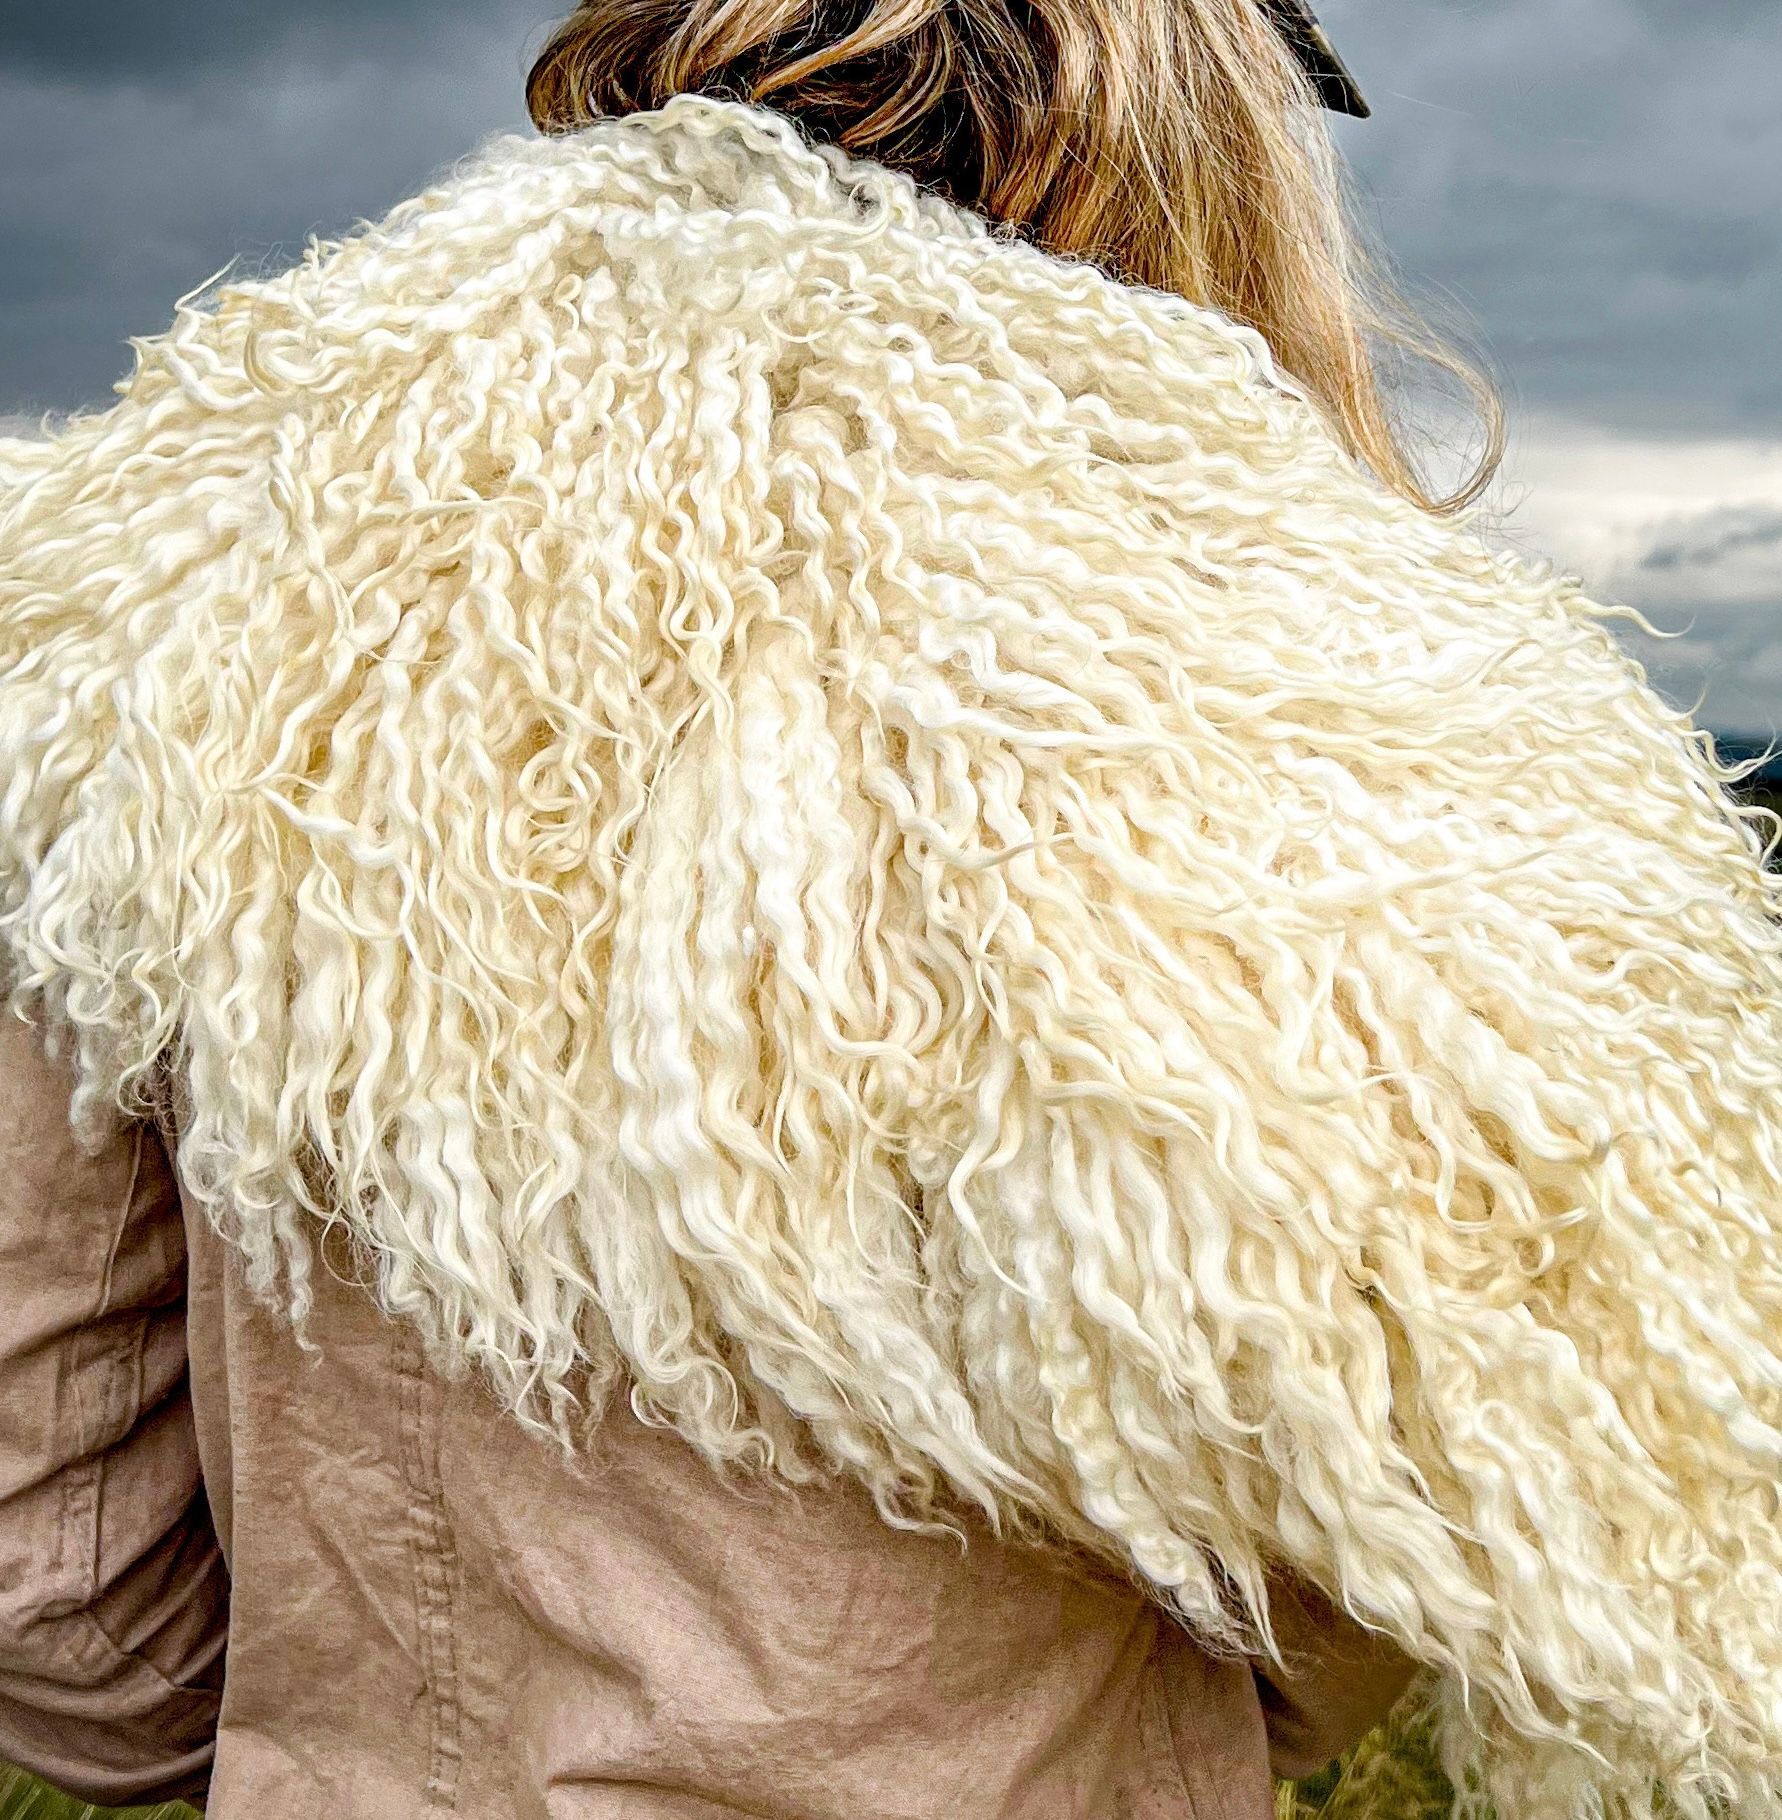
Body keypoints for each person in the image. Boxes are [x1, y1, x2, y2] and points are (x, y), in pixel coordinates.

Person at [1, 3, 1779, 1818]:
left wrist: (378, 1727)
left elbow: (54, 1572)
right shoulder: (1307, 663)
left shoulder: (193, 581)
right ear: (1194, 114)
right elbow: (1435, 1449)